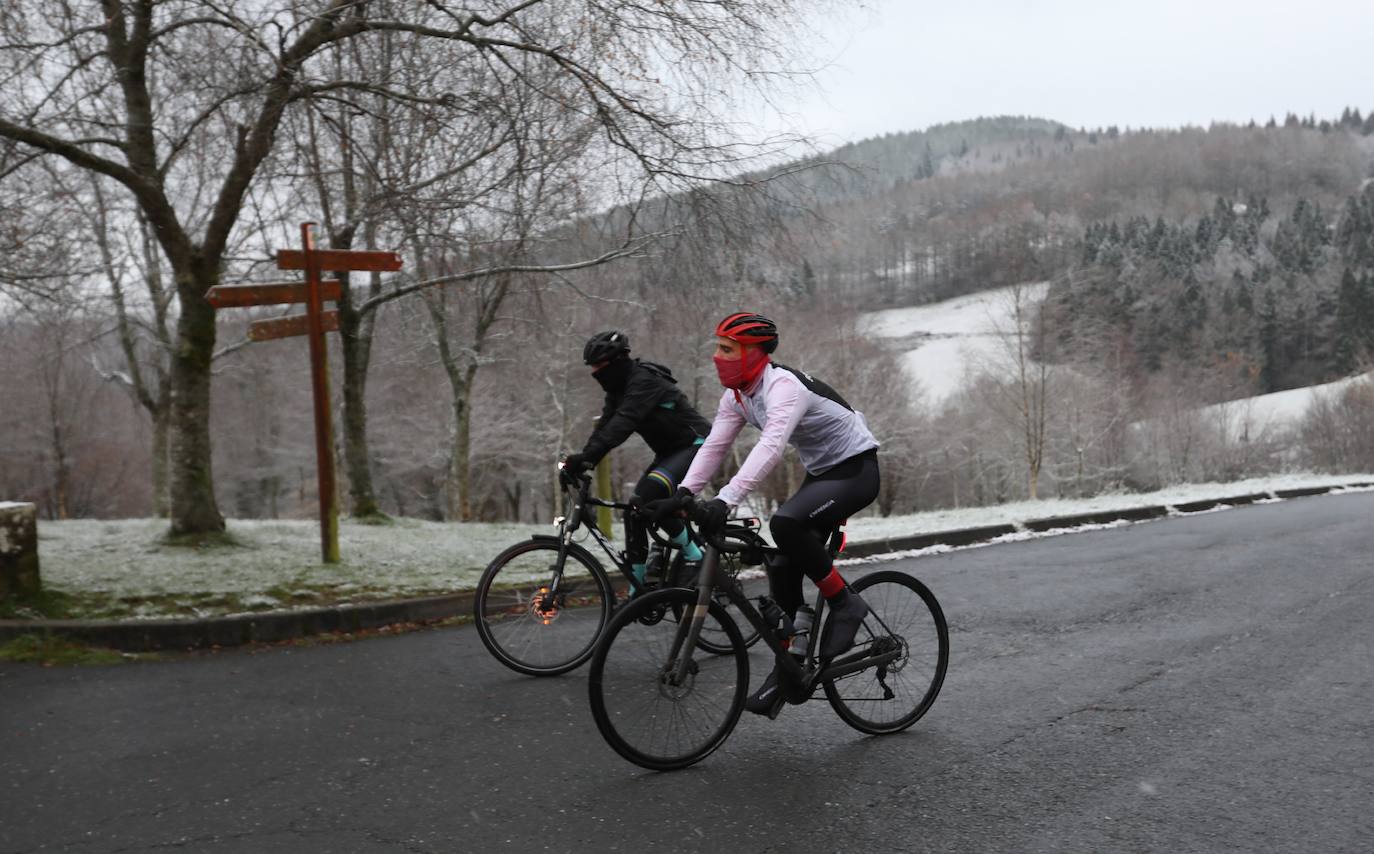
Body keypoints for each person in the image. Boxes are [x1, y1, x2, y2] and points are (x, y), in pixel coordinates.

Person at [649, 312, 881, 716]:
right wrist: (684, 493)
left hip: (856, 470)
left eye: (727, 349)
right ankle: (791, 661)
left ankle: (845, 603)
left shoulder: (782, 387)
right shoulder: (737, 395)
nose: (717, 356)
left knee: (786, 523)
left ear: (753, 353)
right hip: (823, 474)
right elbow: (713, 448)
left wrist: (726, 500)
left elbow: (771, 448)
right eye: (717, 347)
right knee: (781, 563)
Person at [561, 330, 712, 592]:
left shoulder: (643, 381)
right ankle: (638, 588)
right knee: (635, 511)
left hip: (697, 445)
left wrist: (588, 458)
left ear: (618, 360)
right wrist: (583, 460)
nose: (595, 372)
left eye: (600, 366)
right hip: (669, 453)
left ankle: (695, 556)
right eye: (592, 367)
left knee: (649, 496)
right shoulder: (617, 390)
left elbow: (623, 424)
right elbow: (605, 426)